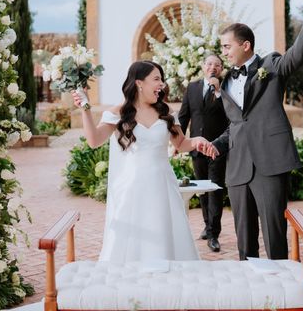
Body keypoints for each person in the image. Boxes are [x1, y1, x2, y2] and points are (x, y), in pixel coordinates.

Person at [206, 0, 303, 260]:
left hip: (270, 164)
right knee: (243, 240)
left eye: (227, 46)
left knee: (274, 234)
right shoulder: (225, 82)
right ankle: (252, 294)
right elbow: (237, 124)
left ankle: (280, 293)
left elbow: (298, 54)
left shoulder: (271, 66)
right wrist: (216, 146)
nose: (223, 52)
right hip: (237, 169)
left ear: (245, 45)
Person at [72, 60, 217, 263]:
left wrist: (198, 141)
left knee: (164, 234)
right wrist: (85, 108)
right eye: (156, 79)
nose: (162, 84)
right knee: (132, 239)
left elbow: (182, 143)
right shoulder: (119, 113)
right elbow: (94, 140)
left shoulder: (165, 113)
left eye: (162, 80)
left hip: (163, 186)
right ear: (139, 83)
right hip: (132, 189)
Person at [178, 53, 229, 252]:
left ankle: (214, 233)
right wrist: (178, 141)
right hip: (196, 148)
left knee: (215, 189)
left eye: (217, 65)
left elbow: (230, 115)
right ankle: (208, 226)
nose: (212, 68)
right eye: (209, 64)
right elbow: (184, 116)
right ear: (203, 66)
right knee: (201, 189)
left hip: (217, 148)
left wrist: (218, 93)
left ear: (221, 68)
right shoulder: (192, 87)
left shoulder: (226, 89)